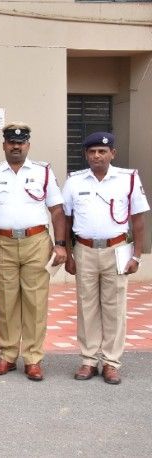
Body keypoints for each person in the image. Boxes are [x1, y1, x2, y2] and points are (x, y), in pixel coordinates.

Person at [0, 122, 67, 381]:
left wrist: (60, 244)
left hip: (36, 241)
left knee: (35, 302)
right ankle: (7, 355)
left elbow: (57, 211)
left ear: (28, 145)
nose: (16, 146)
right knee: (6, 302)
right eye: (11, 142)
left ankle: (33, 358)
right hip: (2, 243)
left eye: (21, 142)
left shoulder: (43, 172)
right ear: (4, 145)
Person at [63, 132, 149, 385]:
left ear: (113, 153)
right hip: (85, 250)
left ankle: (111, 362)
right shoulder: (74, 181)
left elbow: (139, 220)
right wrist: (68, 252)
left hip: (117, 249)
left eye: (102, 151)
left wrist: (137, 255)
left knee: (114, 308)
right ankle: (89, 360)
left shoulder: (128, 179)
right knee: (86, 306)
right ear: (86, 155)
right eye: (92, 152)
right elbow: (66, 220)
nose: (97, 156)